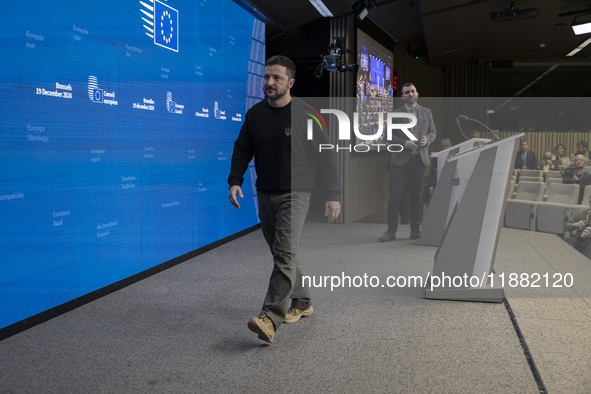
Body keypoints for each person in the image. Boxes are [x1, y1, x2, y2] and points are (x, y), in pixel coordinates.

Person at [228, 55, 341, 344]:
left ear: (290, 82)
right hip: (265, 193)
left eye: (276, 78)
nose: (269, 82)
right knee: (282, 253)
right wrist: (235, 181)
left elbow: (326, 156)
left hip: (296, 193)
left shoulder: (308, 114)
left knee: (284, 253)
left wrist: (333, 195)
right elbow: (242, 149)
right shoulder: (254, 114)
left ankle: (270, 317)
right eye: (266, 77)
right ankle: (302, 302)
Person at [379, 83, 436, 241]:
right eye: (406, 92)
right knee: (395, 196)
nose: (410, 94)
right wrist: (405, 144)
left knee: (417, 197)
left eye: (412, 91)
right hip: (399, 162)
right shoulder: (395, 114)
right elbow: (388, 137)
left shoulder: (427, 112)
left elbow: (433, 131)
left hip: (419, 160)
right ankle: (391, 231)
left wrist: (427, 139)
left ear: (417, 93)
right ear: (402, 96)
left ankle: (415, 230)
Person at [564, 195, 591, 260]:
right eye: (590, 202)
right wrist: (575, 224)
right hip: (580, 239)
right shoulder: (582, 213)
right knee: (569, 240)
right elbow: (566, 226)